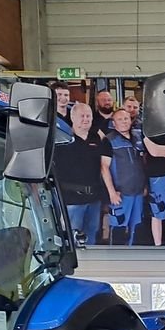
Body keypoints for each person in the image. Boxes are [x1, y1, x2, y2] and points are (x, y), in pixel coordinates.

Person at [54, 102, 104, 245]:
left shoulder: (96, 139)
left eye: (88, 116)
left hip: (94, 199)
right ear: (72, 117)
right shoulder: (62, 140)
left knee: (92, 237)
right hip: (71, 200)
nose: (85, 119)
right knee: (72, 239)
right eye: (82, 116)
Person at [100, 108, 147, 245]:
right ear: (114, 123)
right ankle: (115, 262)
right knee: (119, 228)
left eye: (126, 118)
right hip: (121, 193)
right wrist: (112, 193)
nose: (124, 122)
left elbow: (143, 163)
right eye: (119, 119)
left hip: (138, 192)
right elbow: (104, 167)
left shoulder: (138, 139)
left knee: (136, 227)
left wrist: (145, 186)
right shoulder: (109, 141)